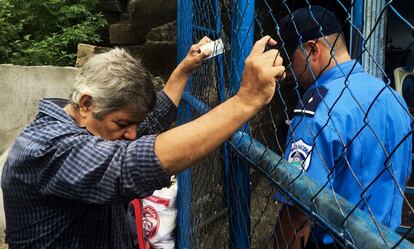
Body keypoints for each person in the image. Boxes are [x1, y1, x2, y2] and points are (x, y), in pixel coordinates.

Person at [1, 35, 285, 249]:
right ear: (86, 104)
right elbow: (126, 165)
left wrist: (185, 69)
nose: (134, 133)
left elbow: (154, 117)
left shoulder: (88, 121)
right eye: (124, 124)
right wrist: (246, 100)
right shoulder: (46, 148)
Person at [273, 6, 413, 249]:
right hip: (387, 240)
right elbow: (404, 174)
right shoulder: (392, 97)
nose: (290, 72)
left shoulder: (316, 109)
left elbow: (297, 209)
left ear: (312, 50)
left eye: (290, 60)